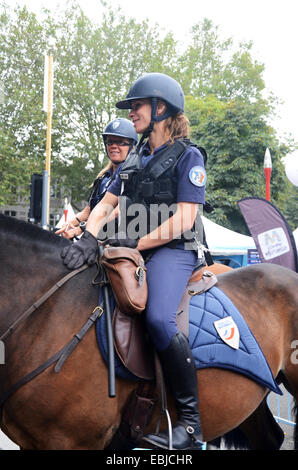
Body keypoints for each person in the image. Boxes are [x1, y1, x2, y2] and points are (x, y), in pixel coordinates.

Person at [61, 73, 207, 450]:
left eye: (137, 106)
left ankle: (190, 426)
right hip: (133, 247)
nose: (132, 113)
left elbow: (185, 219)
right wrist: (90, 237)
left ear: (161, 108)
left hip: (175, 250)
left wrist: (137, 241)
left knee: (158, 317)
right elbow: (105, 204)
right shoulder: (137, 154)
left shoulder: (189, 156)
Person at [55, 118, 138, 240]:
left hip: (119, 238)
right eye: (110, 142)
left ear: (132, 147)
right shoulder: (103, 177)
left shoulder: (132, 175)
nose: (114, 146)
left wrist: (80, 230)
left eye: (120, 142)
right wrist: (68, 225)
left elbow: (115, 212)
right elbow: (87, 212)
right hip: (95, 235)